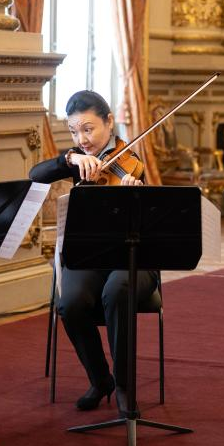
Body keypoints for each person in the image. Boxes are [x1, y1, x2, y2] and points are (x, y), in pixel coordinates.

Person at [29, 90, 153, 414]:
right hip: (89, 257)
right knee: (69, 304)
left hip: (133, 259)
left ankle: (125, 385)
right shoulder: (79, 162)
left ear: (109, 121)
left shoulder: (133, 164)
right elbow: (35, 175)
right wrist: (69, 158)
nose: (82, 138)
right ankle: (101, 380)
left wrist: (135, 200)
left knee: (117, 290)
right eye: (74, 131)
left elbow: (155, 224)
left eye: (88, 129)